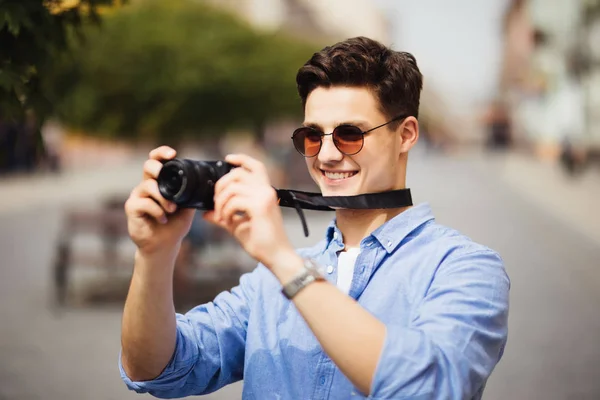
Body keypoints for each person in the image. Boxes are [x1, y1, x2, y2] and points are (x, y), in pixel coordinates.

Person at [120, 36, 510, 399]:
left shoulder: (463, 267)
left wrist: (282, 260)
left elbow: (429, 386)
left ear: (405, 134)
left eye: (349, 135)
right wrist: (154, 255)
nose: (325, 156)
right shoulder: (266, 284)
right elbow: (159, 369)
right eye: (312, 136)